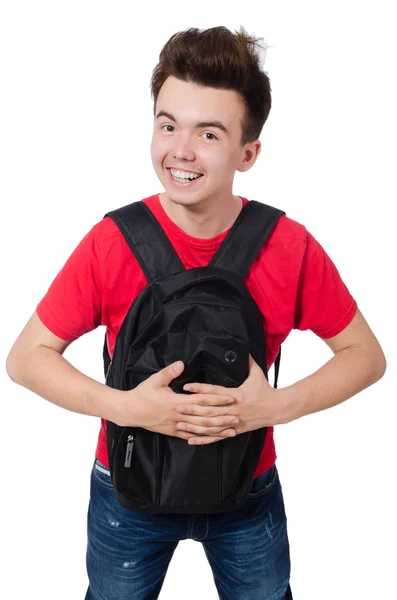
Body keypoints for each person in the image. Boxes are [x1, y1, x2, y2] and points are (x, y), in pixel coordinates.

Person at [6, 25, 386, 600]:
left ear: (248, 152)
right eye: (167, 124)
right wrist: (127, 407)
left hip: (247, 489)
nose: (180, 150)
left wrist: (275, 407)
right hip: (126, 487)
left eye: (208, 133)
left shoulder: (289, 245)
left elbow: (367, 356)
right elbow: (26, 358)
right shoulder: (112, 241)